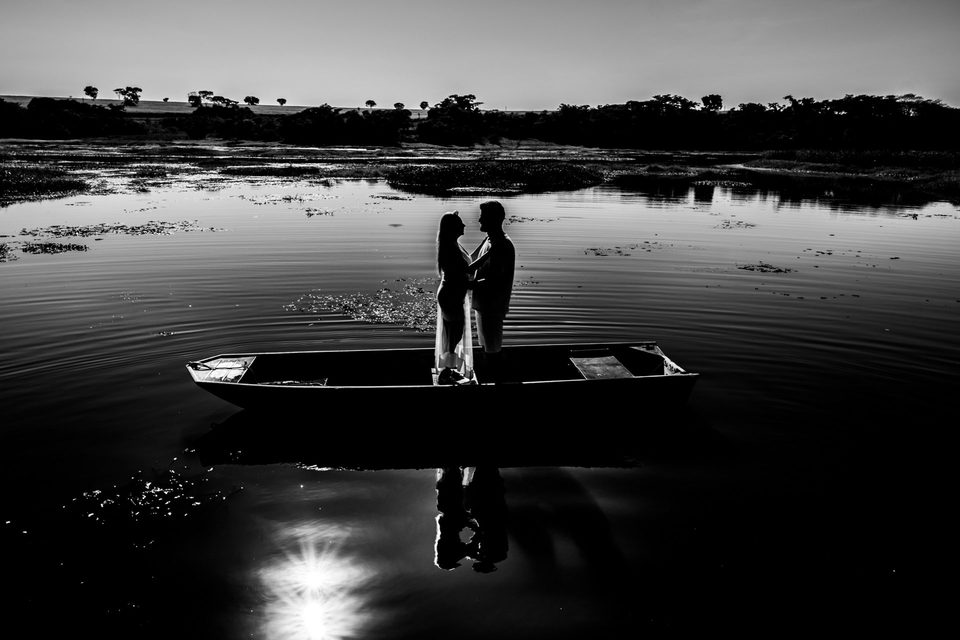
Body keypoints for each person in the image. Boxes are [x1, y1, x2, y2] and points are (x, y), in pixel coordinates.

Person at [434, 211, 488, 385]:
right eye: (460, 223)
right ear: (453, 228)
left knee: (453, 333)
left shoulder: (454, 245)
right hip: (451, 295)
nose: (464, 225)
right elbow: (467, 273)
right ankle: (446, 372)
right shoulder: (450, 250)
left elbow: (469, 262)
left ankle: (448, 370)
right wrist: (486, 281)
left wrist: (484, 245)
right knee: (454, 334)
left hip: (453, 294)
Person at [469, 200, 516, 381]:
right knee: (485, 346)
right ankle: (488, 377)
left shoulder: (502, 245)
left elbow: (494, 281)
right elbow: (471, 260)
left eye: (483, 216)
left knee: (492, 348)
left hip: (492, 307)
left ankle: (496, 380)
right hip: (482, 305)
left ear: (494, 219)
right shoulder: (489, 240)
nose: (479, 220)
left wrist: (467, 285)